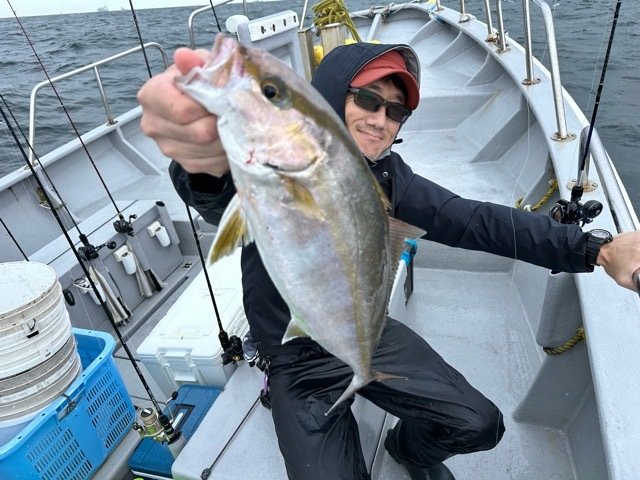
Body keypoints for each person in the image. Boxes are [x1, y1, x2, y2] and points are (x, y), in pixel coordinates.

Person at [138, 41, 640, 480]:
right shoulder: (272, 167)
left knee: (480, 424)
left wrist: (592, 249)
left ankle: (408, 448)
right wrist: (202, 158)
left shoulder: (389, 177)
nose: (381, 119)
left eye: (395, 111)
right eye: (368, 99)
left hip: (366, 331)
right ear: (328, 98)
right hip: (297, 357)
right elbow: (217, 189)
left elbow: (471, 219)